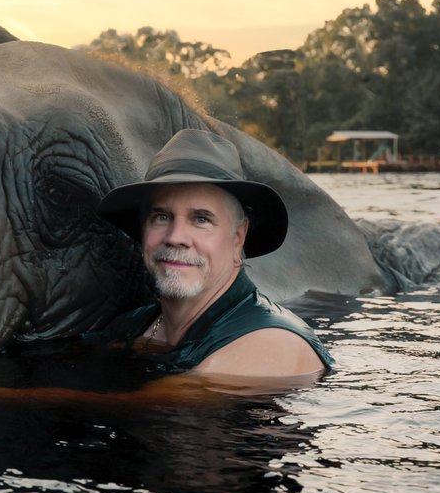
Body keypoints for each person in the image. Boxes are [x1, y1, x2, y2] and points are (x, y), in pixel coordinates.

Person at [93, 129, 334, 381]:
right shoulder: (130, 327)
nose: (176, 237)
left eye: (201, 219)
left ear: (237, 238)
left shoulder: (273, 342)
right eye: (161, 217)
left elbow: (164, 402)